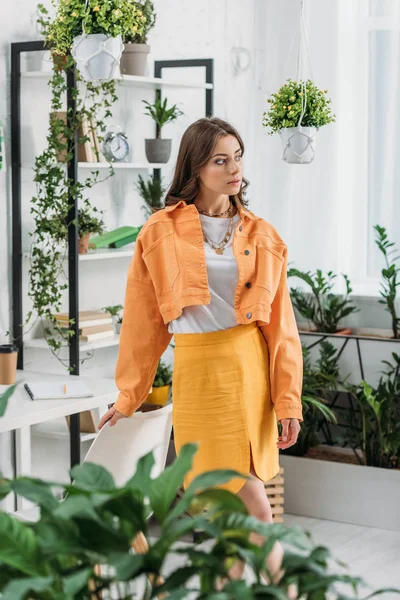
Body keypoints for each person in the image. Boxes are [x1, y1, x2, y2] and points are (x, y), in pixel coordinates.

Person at [98, 116, 303, 593]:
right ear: (195, 166)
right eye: (220, 159)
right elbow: (144, 326)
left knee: (252, 501)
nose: (235, 169)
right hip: (198, 374)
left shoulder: (262, 234)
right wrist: (129, 397)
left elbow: (282, 327)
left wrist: (288, 400)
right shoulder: (159, 232)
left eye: (238, 156)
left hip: (249, 372)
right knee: (222, 500)